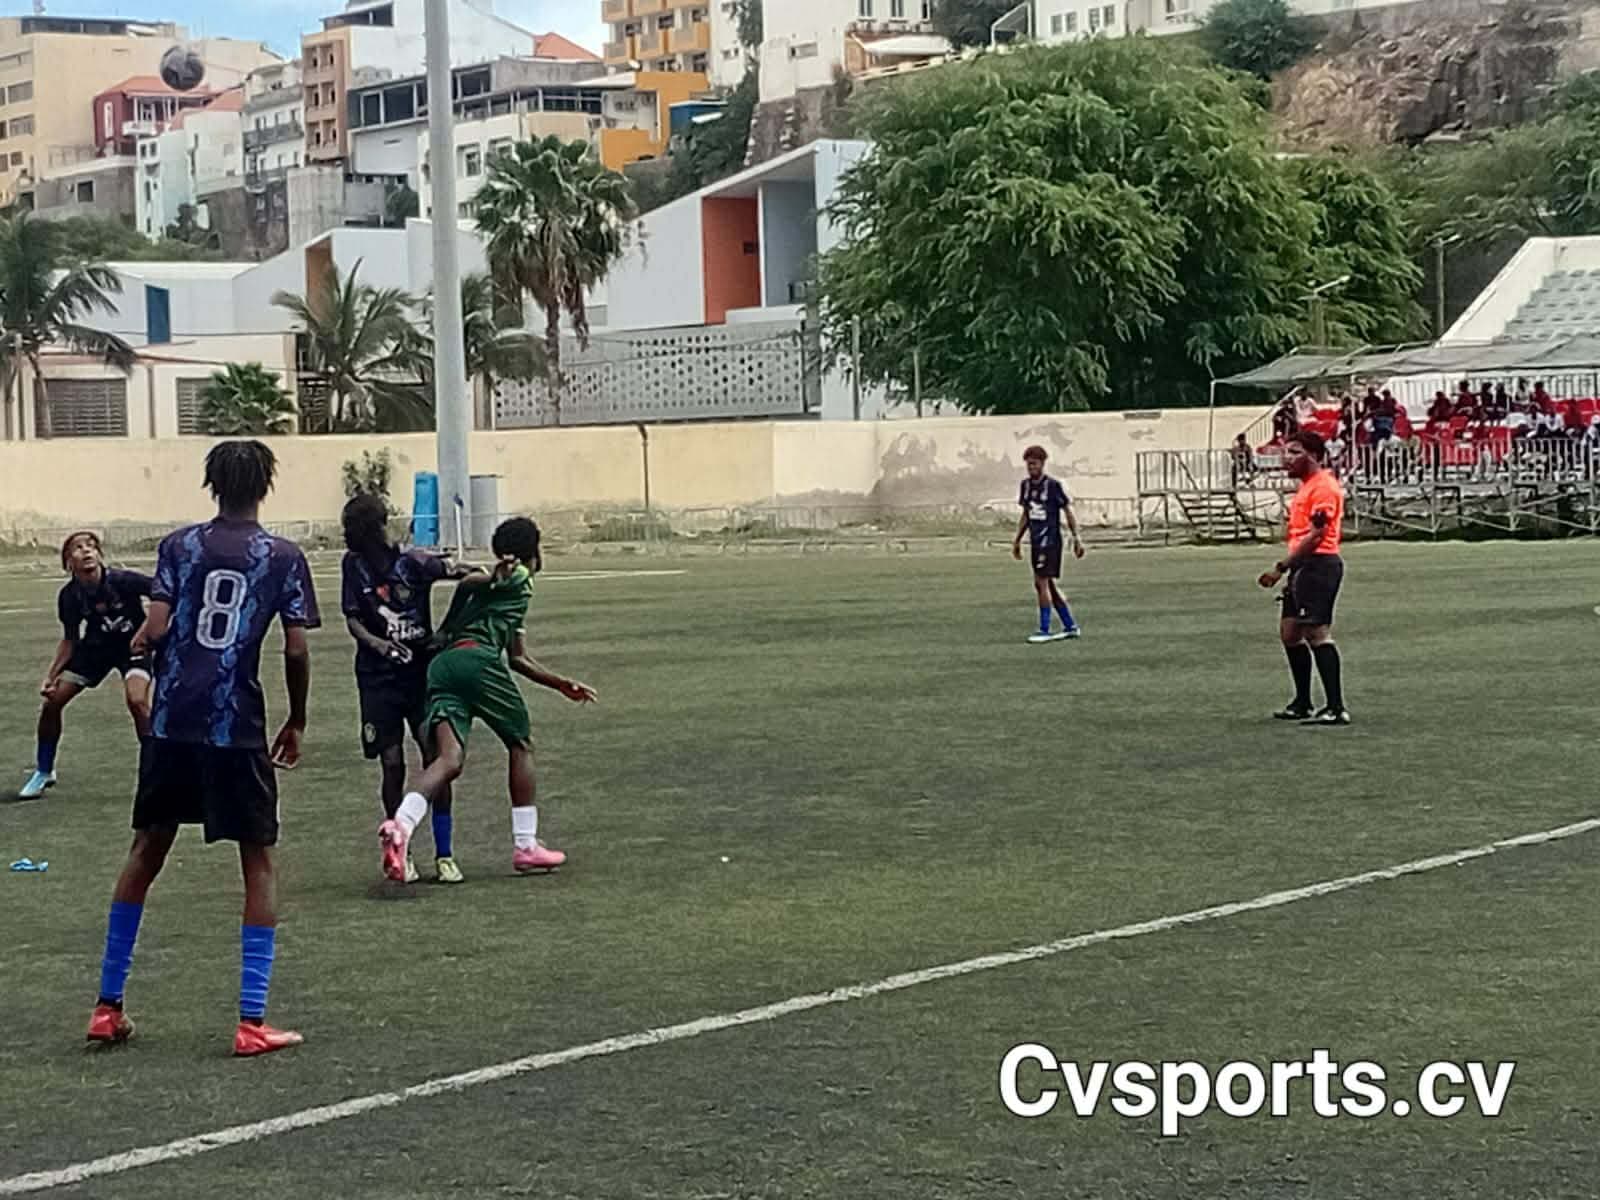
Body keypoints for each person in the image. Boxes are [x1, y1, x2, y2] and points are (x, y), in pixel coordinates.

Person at [86, 441, 319, 1057]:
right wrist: (296, 717)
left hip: (170, 723)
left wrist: (145, 662)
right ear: (265, 484)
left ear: (210, 483)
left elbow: (156, 628)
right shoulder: (283, 557)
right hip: (233, 723)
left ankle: (108, 1006)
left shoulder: (178, 546)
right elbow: (295, 649)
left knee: (146, 850)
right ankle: (251, 1020)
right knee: (258, 859)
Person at [377, 517, 596, 882]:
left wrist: (560, 683)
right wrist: (497, 575)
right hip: (477, 661)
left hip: (444, 667)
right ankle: (526, 844)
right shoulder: (519, 577)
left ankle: (400, 825)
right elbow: (479, 580)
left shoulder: (506, 596)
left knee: (450, 760)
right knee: (521, 743)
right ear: (534, 551)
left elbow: (518, 657)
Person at [341, 494, 467, 884]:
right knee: (392, 762)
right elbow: (353, 618)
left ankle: (444, 854)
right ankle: (401, 850)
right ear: (374, 527)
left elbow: (454, 572)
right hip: (377, 678)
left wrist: (486, 572)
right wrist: (378, 645)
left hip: (419, 673)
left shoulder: (411, 561)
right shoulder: (354, 566)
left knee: (434, 759)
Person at [21, 532, 153, 800]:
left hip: (133, 649)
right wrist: (51, 676)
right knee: (52, 702)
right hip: (95, 651)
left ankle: (157, 770)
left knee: (137, 701)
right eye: (78, 548)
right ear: (69, 561)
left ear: (100, 555)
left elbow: (165, 596)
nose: (87, 552)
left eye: (91, 546)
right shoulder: (70, 596)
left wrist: (152, 631)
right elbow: (70, 640)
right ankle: (44, 771)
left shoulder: (123, 580)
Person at [1256, 430, 1350, 726]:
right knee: (1290, 633)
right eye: (1286, 452)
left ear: (1312, 455)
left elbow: (1317, 534)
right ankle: (1303, 702)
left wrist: (1282, 566)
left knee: (1316, 633)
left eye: (1294, 452)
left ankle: (1336, 707)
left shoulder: (1323, 487)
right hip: (1304, 567)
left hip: (1319, 564)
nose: (1287, 459)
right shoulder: (1307, 487)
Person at [1010, 445, 1085, 644]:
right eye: (1028, 464)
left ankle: (1044, 629)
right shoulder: (1025, 486)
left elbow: (1067, 511)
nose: (1030, 468)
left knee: (1041, 582)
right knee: (1047, 585)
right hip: (1036, 541)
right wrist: (1017, 539)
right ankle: (1070, 625)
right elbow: (1026, 514)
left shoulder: (1052, 486)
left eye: (1034, 464)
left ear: (1042, 464)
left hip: (1050, 541)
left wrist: (1077, 537)